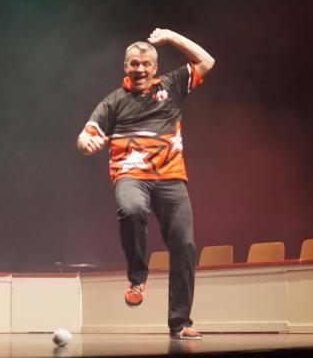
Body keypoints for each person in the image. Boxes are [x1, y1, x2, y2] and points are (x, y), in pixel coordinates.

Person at [77, 28, 215, 340]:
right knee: (131, 209)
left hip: (170, 177)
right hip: (131, 175)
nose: (139, 69)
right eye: (133, 64)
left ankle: (179, 323)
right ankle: (138, 277)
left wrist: (171, 37)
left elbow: (207, 62)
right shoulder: (113, 101)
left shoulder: (171, 85)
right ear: (125, 67)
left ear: (155, 67)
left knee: (184, 247)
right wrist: (86, 143)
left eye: (145, 64)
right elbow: (85, 135)